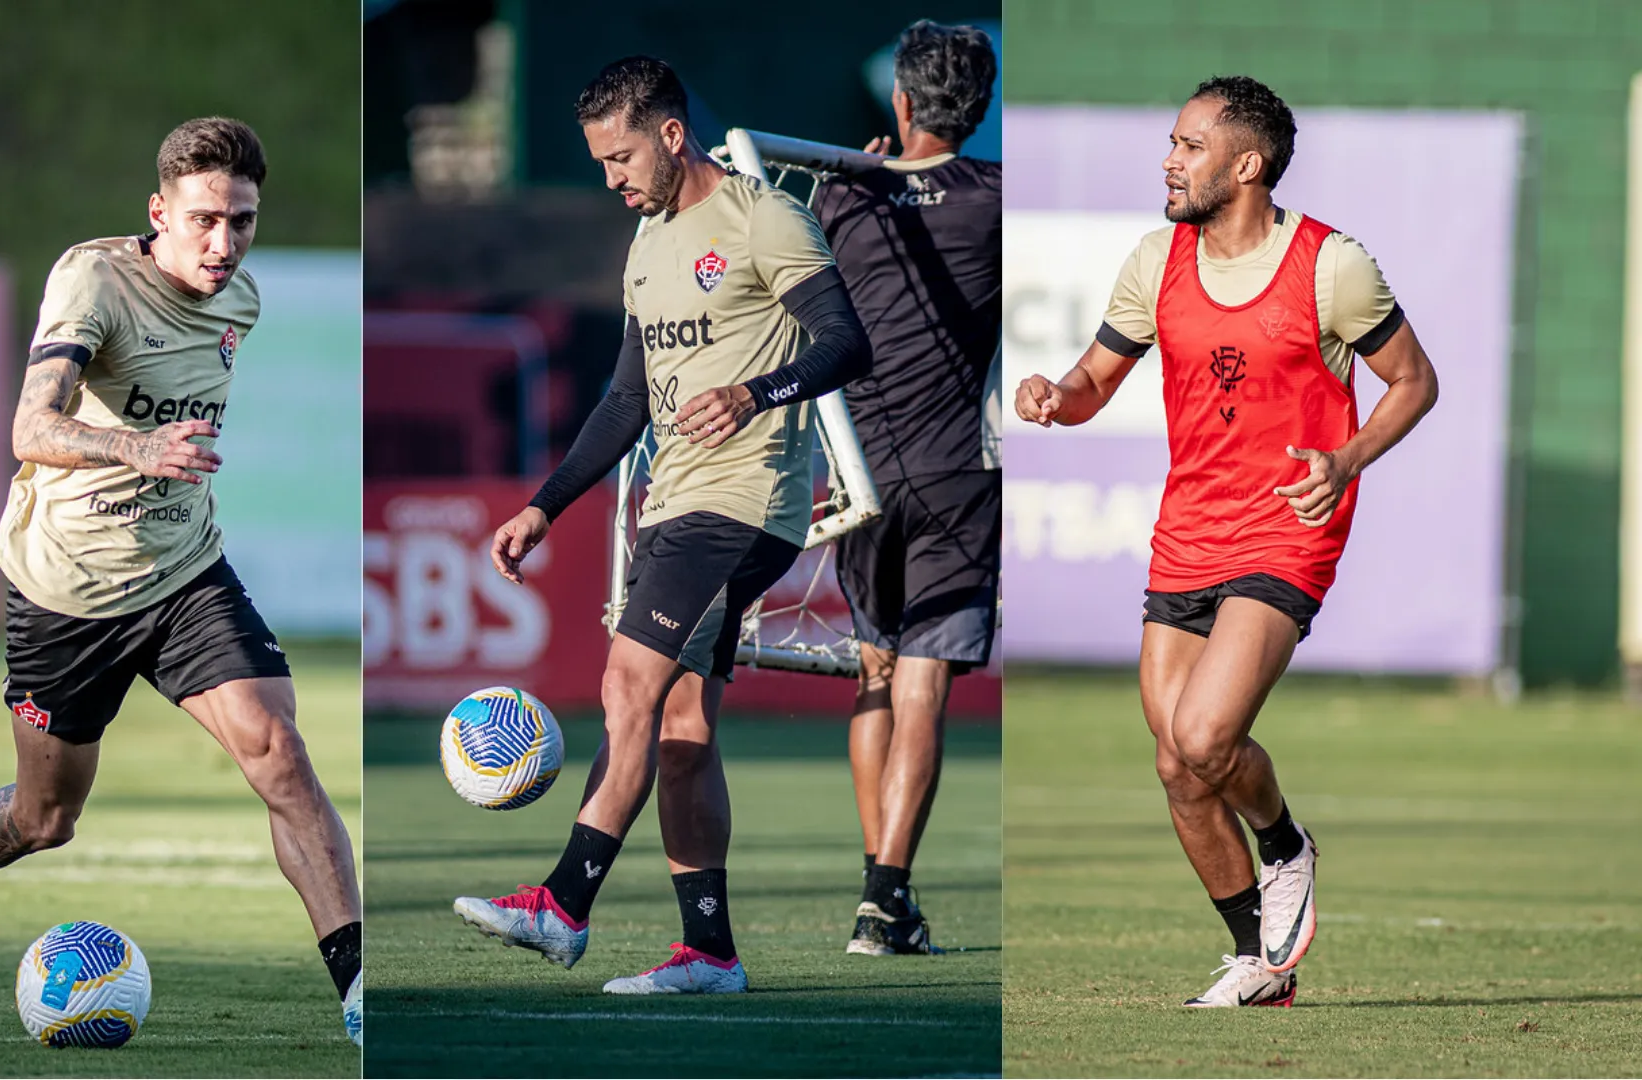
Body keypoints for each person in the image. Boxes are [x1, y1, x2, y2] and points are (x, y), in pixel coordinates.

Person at [0, 117, 363, 1044]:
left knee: (281, 753)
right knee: (44, 818)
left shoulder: (241, 303)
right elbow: (30, 429)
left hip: (185, 573)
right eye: (203, 220)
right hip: (65, 592)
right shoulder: (93, 281)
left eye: (243, 221)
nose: (223, 243)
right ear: (159, 213)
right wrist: (136, 446)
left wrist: (160, 468)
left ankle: (358, 996)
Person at [1014, 76, 1438, 1007]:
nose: (1170, 159)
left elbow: (1413, 381)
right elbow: (1094, 380)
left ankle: (1285, 845)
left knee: (1207, 734)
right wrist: (1056, 397)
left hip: (1287, 527)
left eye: (1190, 145)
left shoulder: (1331, 264)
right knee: (1178, 761)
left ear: (1245, 165)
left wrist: (1349, 455)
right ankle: (1261, 963)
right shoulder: (1154, 259)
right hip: (1187, 530)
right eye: (1170, 141)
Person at [455, 56, 872, 995]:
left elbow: (849, 342)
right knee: (681, 726)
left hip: (744, 503)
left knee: (627, 685)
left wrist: (755, 391)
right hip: (674, 505)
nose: (613, 179)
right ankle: (711, 953)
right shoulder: (647, 244)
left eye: (621, 156)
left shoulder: (764, 217)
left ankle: (564, 904)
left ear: (672, 135)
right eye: (600, 162)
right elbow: (624, 403)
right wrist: (542, 505)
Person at [809, 19, 1000, 957]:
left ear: (900, 103)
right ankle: (885, 900)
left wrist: (870, 178)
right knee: (922, 683)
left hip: (859, 476)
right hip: (956, 474)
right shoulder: (1001, 201)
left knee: (874, 671)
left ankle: (885, 891)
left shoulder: (843, 195)